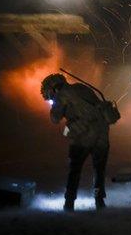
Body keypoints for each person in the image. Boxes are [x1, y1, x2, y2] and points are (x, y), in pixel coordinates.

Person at [41, 73, 110, 211]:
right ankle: (99, 201)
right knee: (99, 170)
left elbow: (55, 119)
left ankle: (69, 202)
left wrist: (54, 104)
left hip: (83, 137)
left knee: (75, 170)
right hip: (102, 134)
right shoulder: (81, 87)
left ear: (53, 89)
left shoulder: (61, 96)